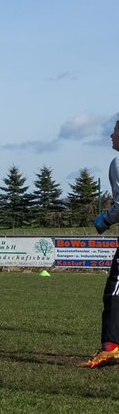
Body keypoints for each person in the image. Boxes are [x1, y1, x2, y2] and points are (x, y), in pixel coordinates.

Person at [79, 119, 119, 367]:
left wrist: (105, 219)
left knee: (114, 292)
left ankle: (111, 348)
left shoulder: (118, 163)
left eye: (115, 131)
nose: (110, 135)